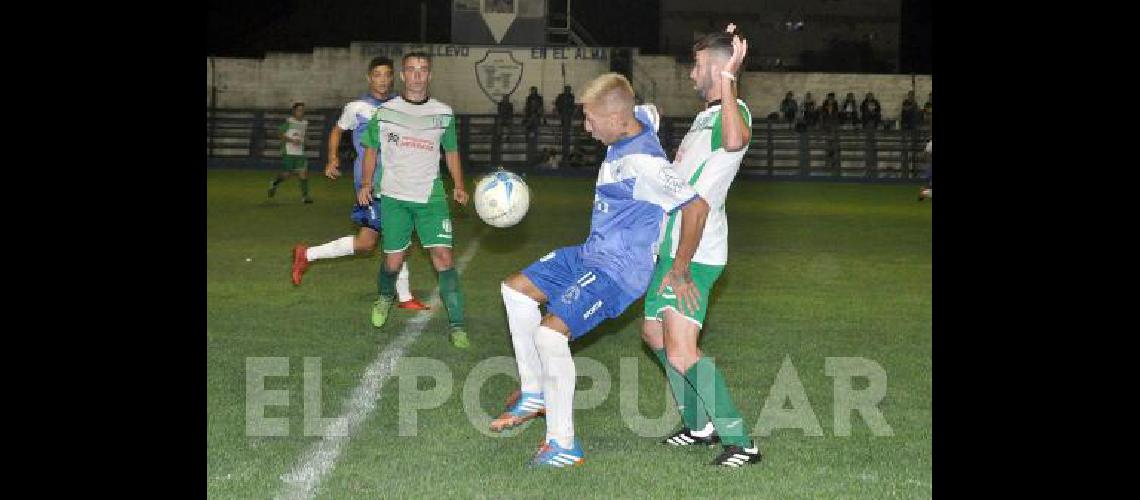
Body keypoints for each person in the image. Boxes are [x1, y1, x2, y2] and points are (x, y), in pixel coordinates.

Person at [491, 73, 712, 469]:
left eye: (591, 120)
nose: (586, 128)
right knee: (515, 290)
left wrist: (679, 269)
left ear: (616, 120)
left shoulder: (645, 164)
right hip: (591, 253)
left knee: (550, 335)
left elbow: (696, 209)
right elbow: (644, 109)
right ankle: (534, 391)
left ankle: (563, 443)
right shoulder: (634, 116)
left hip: (619, 271)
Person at [641, 23, 762, 467]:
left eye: (696, 65)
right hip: (671, 247)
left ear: (714, 67)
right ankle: (699, 425)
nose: (691, 74)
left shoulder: (736, 113)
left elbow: (735, 141)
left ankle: (741, 441)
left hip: (695, 252)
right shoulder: (702, 118)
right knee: (653, 333)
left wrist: (731, 77)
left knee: (681, 349)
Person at [288, 57, 429, 309]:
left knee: (368, 242)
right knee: (397, 237)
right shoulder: (356, 107)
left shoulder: (402, 106)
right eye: (377, 75)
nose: (383, 80)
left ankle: (306, 254)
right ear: (369, 78)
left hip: (399, 183)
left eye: (387, 75)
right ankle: (405, 298)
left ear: (393, 78)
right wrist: (332, 159)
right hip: (370, 184)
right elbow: (337, 131)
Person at [359, 52, 471, 348]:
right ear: (403, 76)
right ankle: (385, 296)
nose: (417, 75)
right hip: (395, 196)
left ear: (430, 75)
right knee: (393, 261)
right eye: (411, 70)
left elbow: (451, 152)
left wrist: (459, 184)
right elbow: (371, 149)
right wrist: (367, 183)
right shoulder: (385, 113)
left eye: (423, 70)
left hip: (431, 197)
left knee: (444, 258)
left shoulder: (443, 113)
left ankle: (457, 326)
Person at [268, 103, 313, 203]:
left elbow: (304, 135)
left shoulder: (305, 123)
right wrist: (292, 140)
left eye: (302, 110)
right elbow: (280, 133)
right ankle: (274, 183)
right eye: (299, 110)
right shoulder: (289, 122)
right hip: (289, 152)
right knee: (286, 174)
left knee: (303, 174)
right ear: (294, 111)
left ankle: (305, 197)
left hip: (300, 153)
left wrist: (306, 139)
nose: (301, 112)